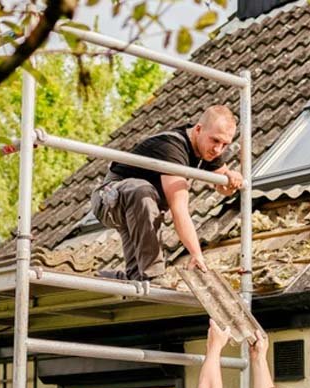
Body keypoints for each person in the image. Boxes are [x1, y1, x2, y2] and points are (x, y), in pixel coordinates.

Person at [90, 106, 244, 281]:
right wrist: (196, 254)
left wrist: (231, 178)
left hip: (139, 212)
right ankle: (154, 274)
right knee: (142, 191)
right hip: (111, 199)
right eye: (215, 141)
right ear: (198, 130)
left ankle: (100, 277)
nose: (218, 149)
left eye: (225, 144)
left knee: (138, 277)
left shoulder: (208, 148)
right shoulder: (171, 148)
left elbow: (223, 187)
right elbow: (179, 210)